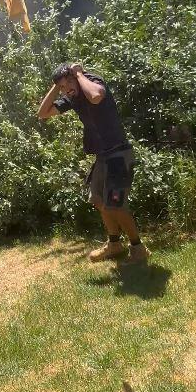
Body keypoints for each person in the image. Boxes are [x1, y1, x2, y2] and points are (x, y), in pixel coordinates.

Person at [37, 63, 149, 263]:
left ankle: (138, 247)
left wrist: (79, 74)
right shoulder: (72, 98)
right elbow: (43, 113)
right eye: (62, 88)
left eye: (68, 83)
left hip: (118, 154)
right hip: (102, 156)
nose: (66, 90)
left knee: (116, 205)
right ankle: (114, 244)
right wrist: (56, 86)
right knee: (97, 199)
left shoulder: (93, 82)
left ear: (77, 76)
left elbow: (96, 96)